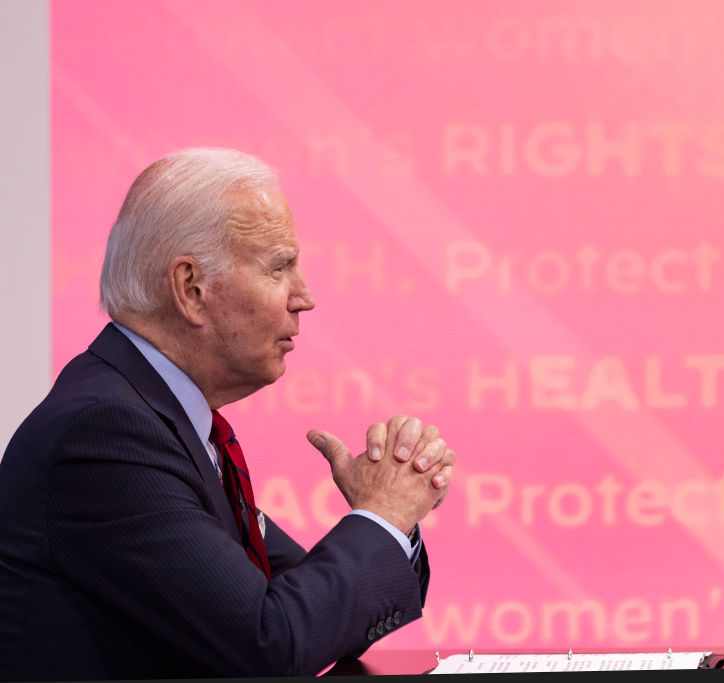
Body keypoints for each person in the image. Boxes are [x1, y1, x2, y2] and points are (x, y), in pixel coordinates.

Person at [0, 148, 455, 680]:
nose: (304, 297)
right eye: (280, 267)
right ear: (192, 289)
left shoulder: (159, 416)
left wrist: (389, 519)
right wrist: (382, 514)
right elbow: (274, 641)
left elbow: (322, 617)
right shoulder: (104, 435)